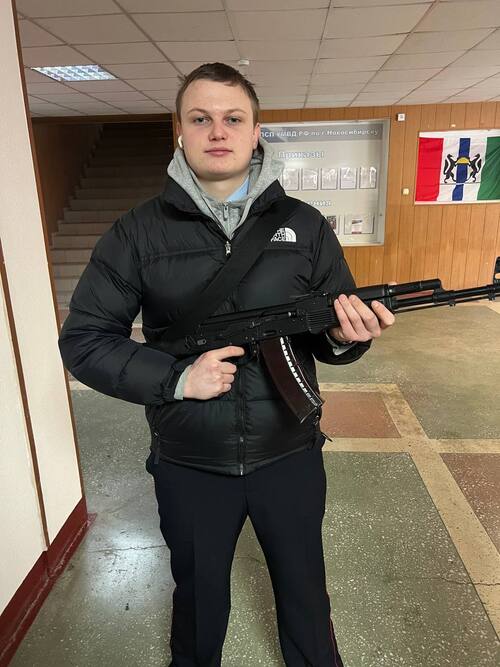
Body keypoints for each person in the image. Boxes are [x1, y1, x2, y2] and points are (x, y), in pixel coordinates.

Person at [59, 62, 395, 667]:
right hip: (190, 460)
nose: (218, 131)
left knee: (306, 594)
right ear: (180, 133)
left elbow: (329, 333)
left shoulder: (304, 225)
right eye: (201, 118)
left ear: (256, 131)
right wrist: (175, 379)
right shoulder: (136, 234)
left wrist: (349, 337)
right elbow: (84, 340)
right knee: (197, 599)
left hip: (289, 452)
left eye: (233, 118)